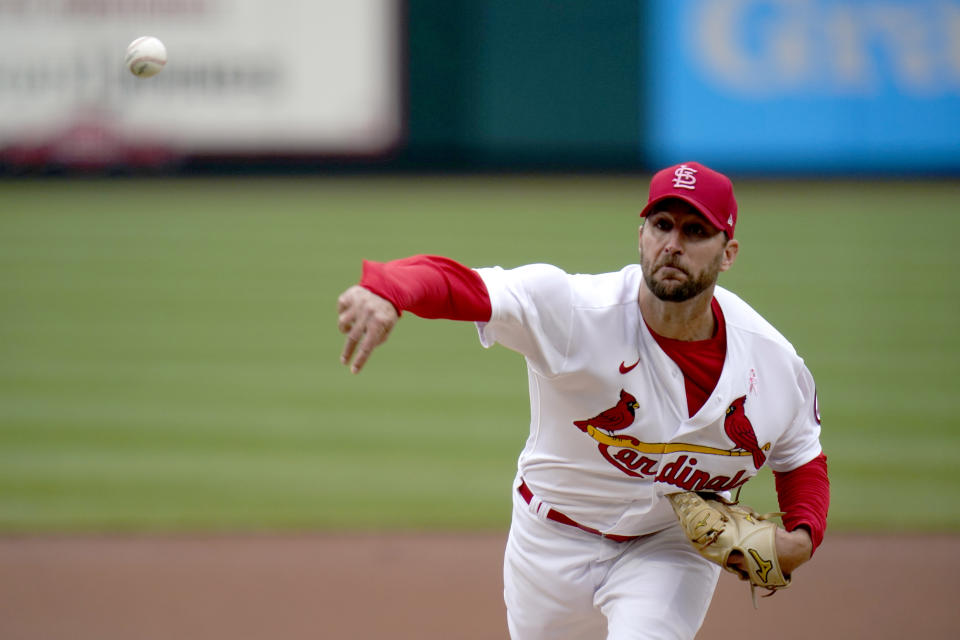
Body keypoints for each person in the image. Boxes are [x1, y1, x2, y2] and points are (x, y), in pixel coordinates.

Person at [336, 161, 830, 640]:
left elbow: (801, 456)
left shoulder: (773, 363)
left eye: (696, 231)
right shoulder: (573, 310)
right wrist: (388, 291)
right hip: (550, 540)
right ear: (641, 235)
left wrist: (801, 540)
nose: (673, 245)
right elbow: (462, 285)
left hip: (668, 546)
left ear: (728, 253)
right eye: (662, 225)